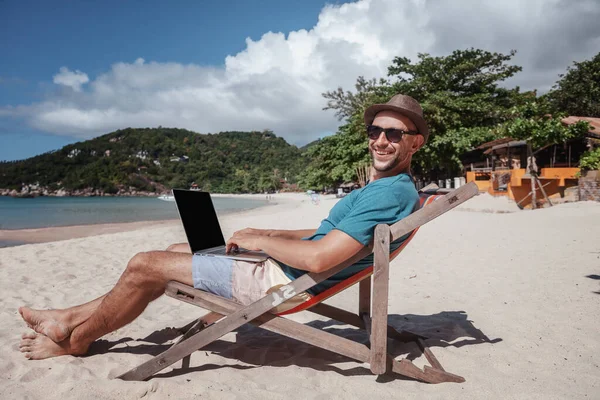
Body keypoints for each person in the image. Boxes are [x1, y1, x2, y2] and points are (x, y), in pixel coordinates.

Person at [18, 94, 428, 360]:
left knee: (144, 264)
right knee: (182, 248)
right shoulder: (388, 190)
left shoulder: (387, 193)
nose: (381, 140)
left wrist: (261, 241)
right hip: (280, 270)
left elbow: (321, 258)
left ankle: (74, 341)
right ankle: (67, 316)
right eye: (375, 130)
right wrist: (262, 236)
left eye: (394, 133)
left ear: (415, 143)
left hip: (278, 283)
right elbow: (323, 235)